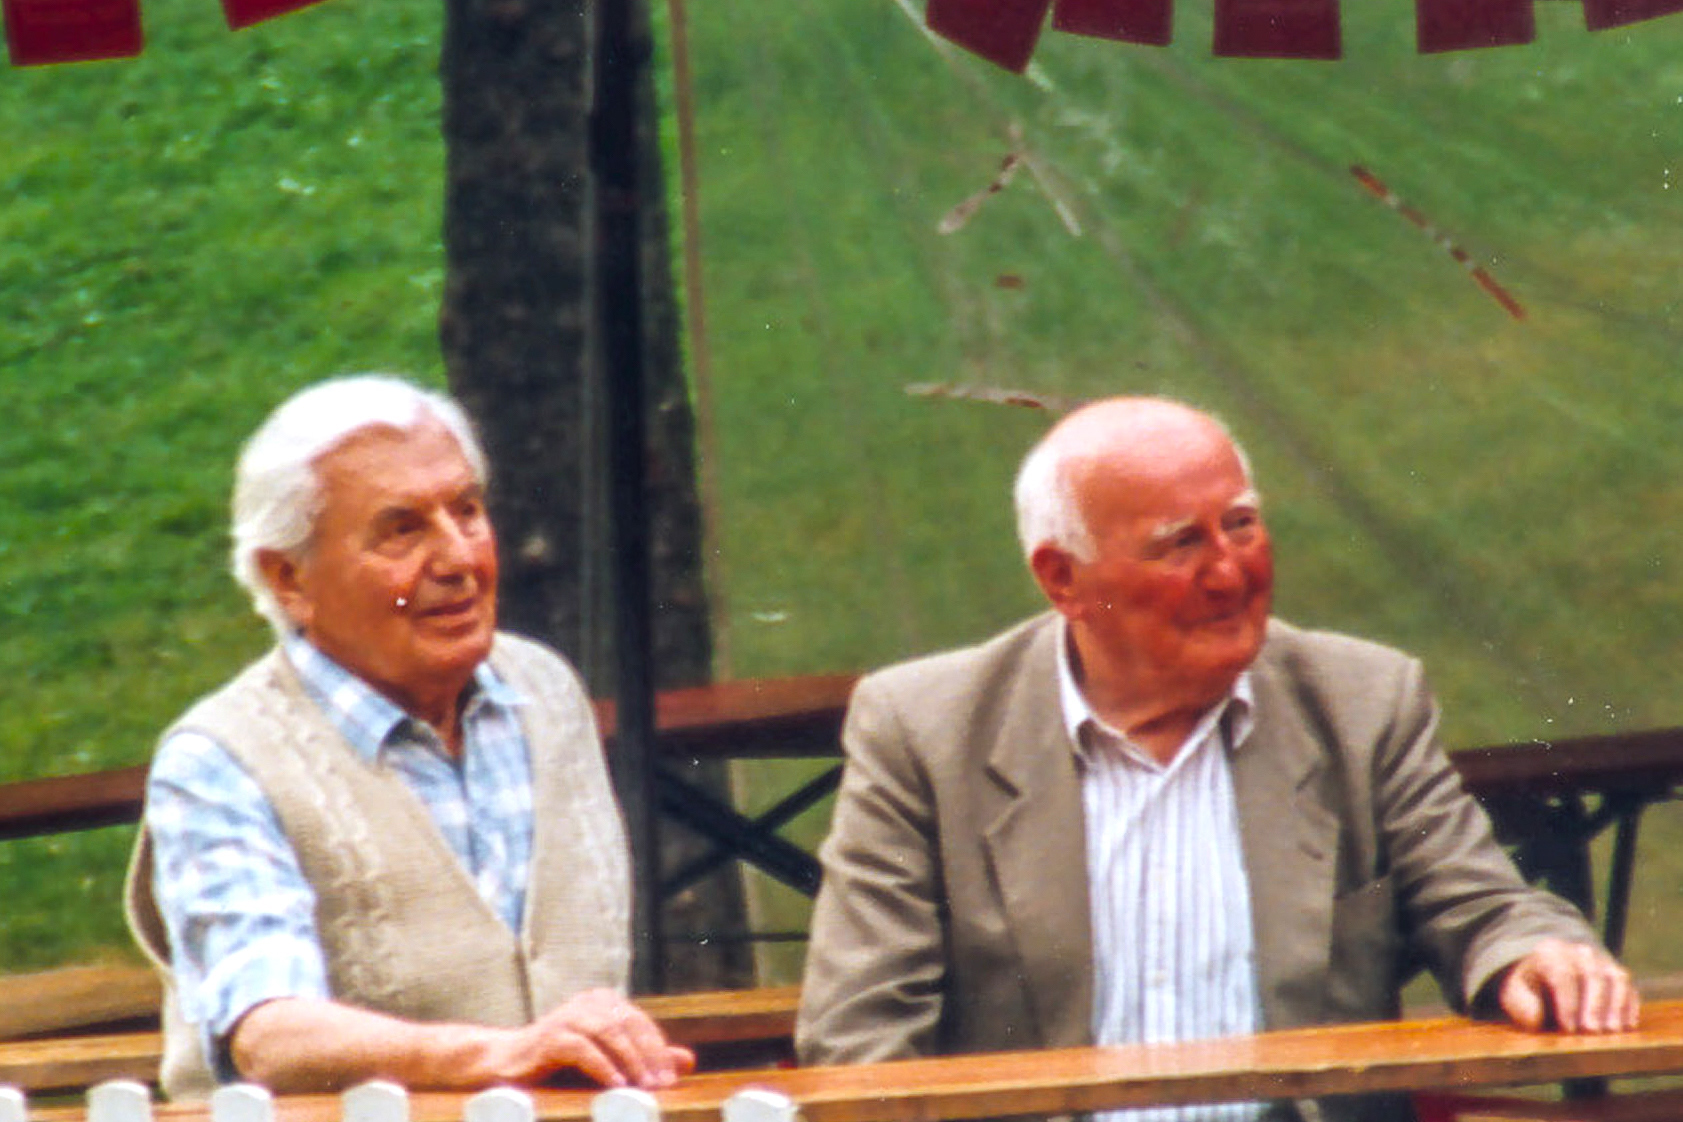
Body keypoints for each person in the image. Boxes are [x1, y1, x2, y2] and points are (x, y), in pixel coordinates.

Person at [795, 396, 1638, 1122]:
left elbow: (1478, 901)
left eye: (1240, 524)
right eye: (1178, 544)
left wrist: (1535, 951)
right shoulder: (923, 732)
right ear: (1062, 580)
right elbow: (860, 1035)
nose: (1230, 573)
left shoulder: (1359, 702)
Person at [125, 375, 693, 1099]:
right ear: (289, 578)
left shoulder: (545, 693)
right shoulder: (221, 759)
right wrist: (497, 1056)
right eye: (402, 530)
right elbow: (268, 1033)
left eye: (467, 511)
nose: (459, 560)